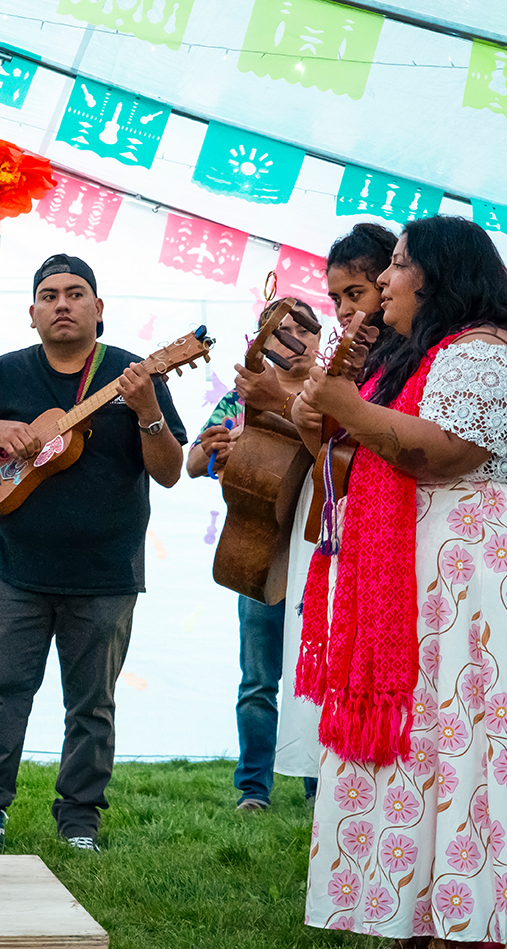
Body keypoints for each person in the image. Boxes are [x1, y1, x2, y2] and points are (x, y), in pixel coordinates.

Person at [298, 216, 507, 945]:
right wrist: (320, 419)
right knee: (427, 749)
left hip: (472, 588)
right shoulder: (428, 356)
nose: (385, 281)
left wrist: (349, 409)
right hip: (429, 584)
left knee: (461, 744)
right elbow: (354, 464)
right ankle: (421, 912)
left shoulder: (487, 353)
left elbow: (443, 455)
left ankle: (464, 914)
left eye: (397, 266)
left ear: (437, 274)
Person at [0, 254, 186, 855]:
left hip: (106, 573)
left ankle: (80, 820)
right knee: (0, 693)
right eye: (48, 296)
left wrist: (149, 412)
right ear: (31, 313)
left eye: (76, 294)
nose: (62, 304)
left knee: (92, 705)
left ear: (99, 309)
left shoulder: (134, 373)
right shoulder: (5, 374)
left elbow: (173, 472)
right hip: (13, 569)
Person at [274, 223, 398, 797]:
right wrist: (309, 427)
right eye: (338, 299)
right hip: (348, 534)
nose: (346, 311)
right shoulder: (353, 364)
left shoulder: (406, 359)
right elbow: (341, 464)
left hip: (395, 541)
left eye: (358, 293)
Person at [184, 297, 321, 811]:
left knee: (318, 676)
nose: (293, 339)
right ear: (263, 336)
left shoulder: (331, 393)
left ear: (319, 337)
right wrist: (219, 444)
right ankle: (254, 790)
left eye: (304, 331)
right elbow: (194, 462)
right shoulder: (240, 396)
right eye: (282, 330)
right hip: (258, 545)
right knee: (259, 679)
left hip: (319, 554)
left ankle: (317, 786)